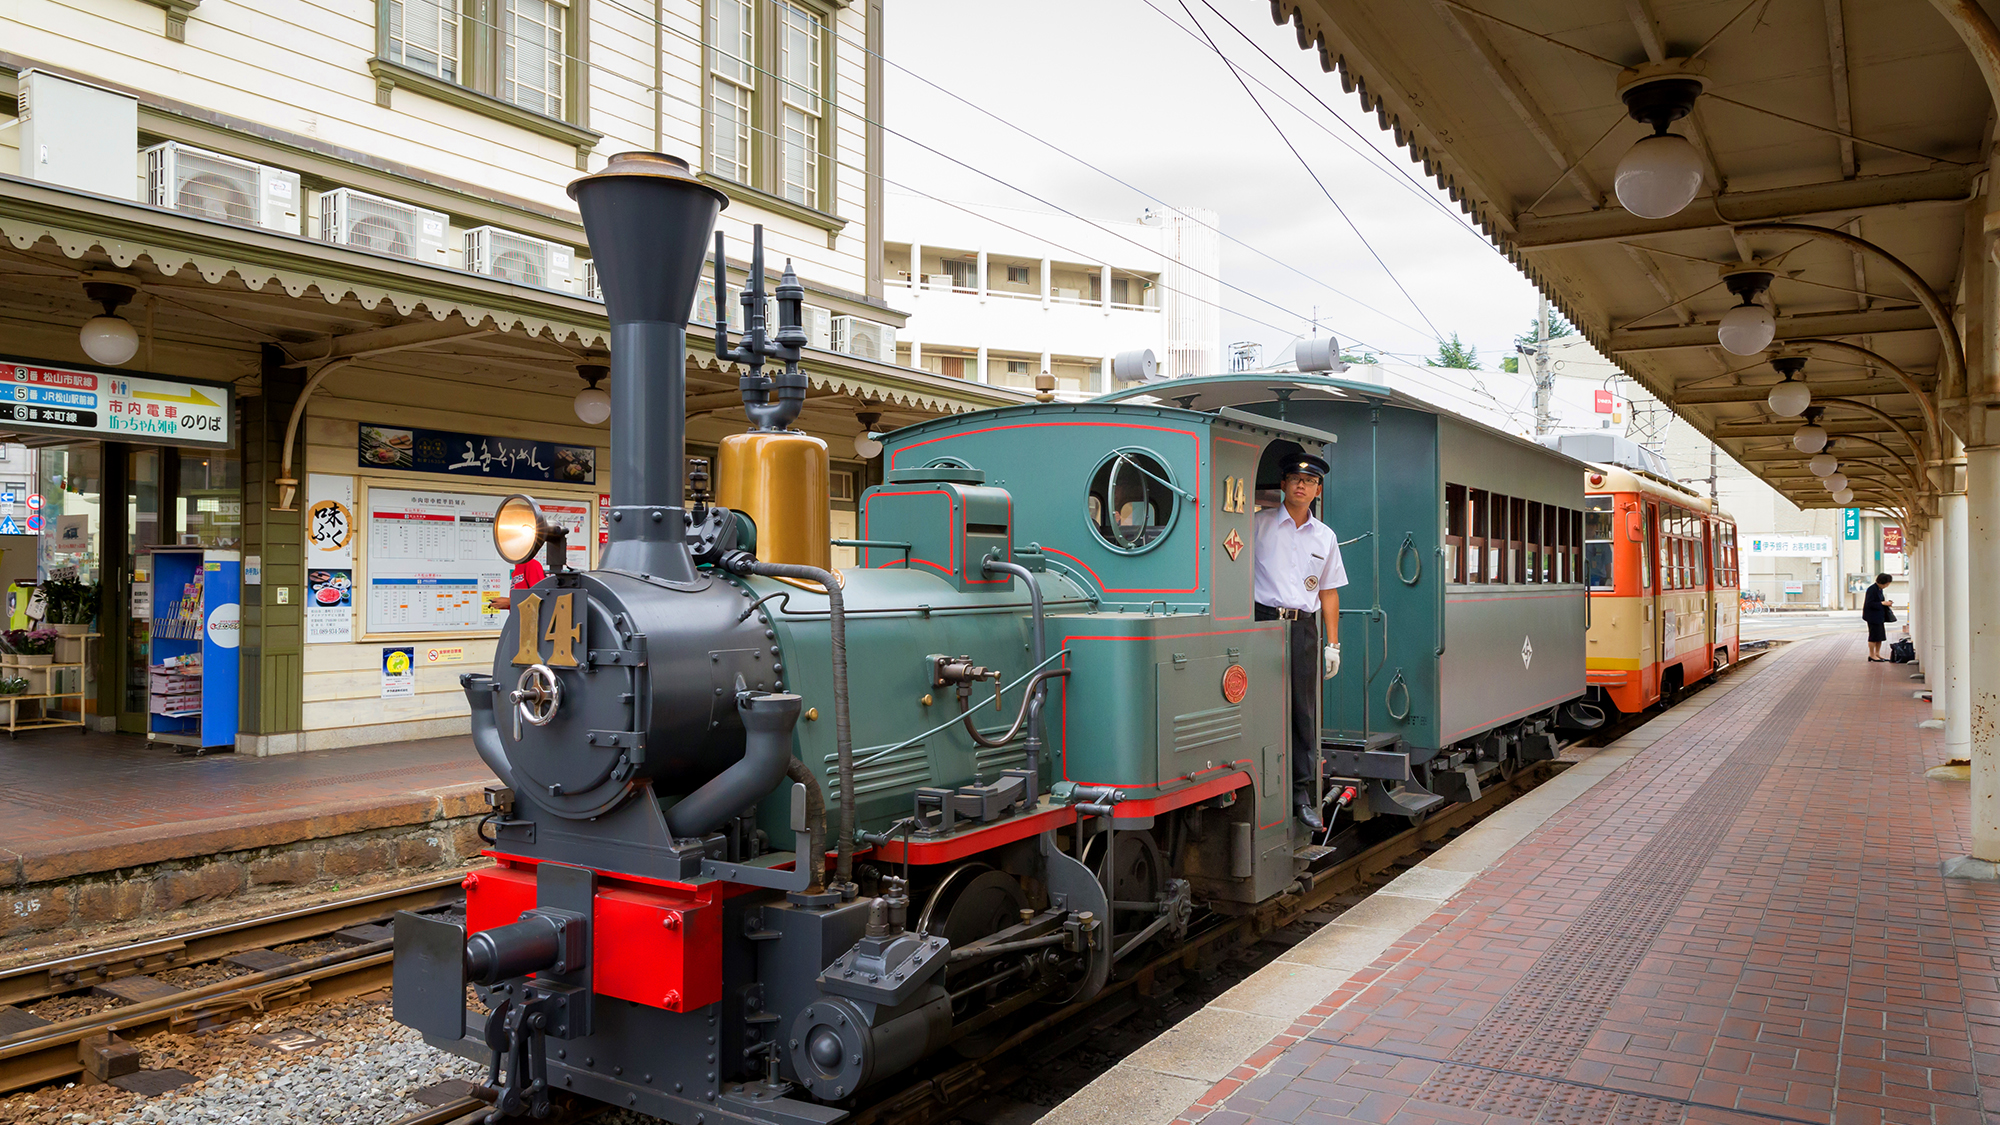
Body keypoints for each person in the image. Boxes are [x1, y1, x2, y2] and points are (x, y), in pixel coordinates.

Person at [1251, 447, 1346, 830]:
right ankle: (1260, 784)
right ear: (1284, 485)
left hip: (1303, 627)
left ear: (1317, 490)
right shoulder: (1257, 525)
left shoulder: (1324, 537)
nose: (1302, 486)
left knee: (1303, 713)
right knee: (1259, 707)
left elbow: (1329, 593)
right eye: (1296, 479)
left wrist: (1332, 644)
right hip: (1260, 623)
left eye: (1309, 481)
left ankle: (1301, 794)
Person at [1862, 572, 1893, 661]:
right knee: (1873, 636)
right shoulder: (1872, 589)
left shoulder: (1879, 589)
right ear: (1882, 582)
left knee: (1880, 636)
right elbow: (1870, 603)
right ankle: (1872, 655)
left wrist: (1885, 603)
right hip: (1872, 616)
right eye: (1887, 584)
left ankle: (1877, 653)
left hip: (1879, 616)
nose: (1887, 585)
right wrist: (1882, 603)